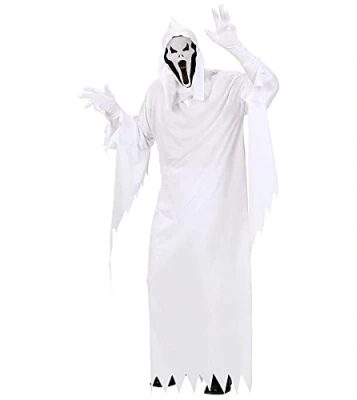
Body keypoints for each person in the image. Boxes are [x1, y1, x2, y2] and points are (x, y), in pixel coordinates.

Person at [79, 4, 279, 394]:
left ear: (197, 51)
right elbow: (139, 138)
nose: (181, 57)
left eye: (186, 49)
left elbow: (267, 87)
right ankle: (168, 369)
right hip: (172, 218)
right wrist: (115, 115)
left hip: (217, 219)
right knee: (163, 284)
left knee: (215, 291)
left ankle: (219, 373)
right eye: (173, 52)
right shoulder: (158, 95)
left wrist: (236, 47)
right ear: (165, 58)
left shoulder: (227, 87)